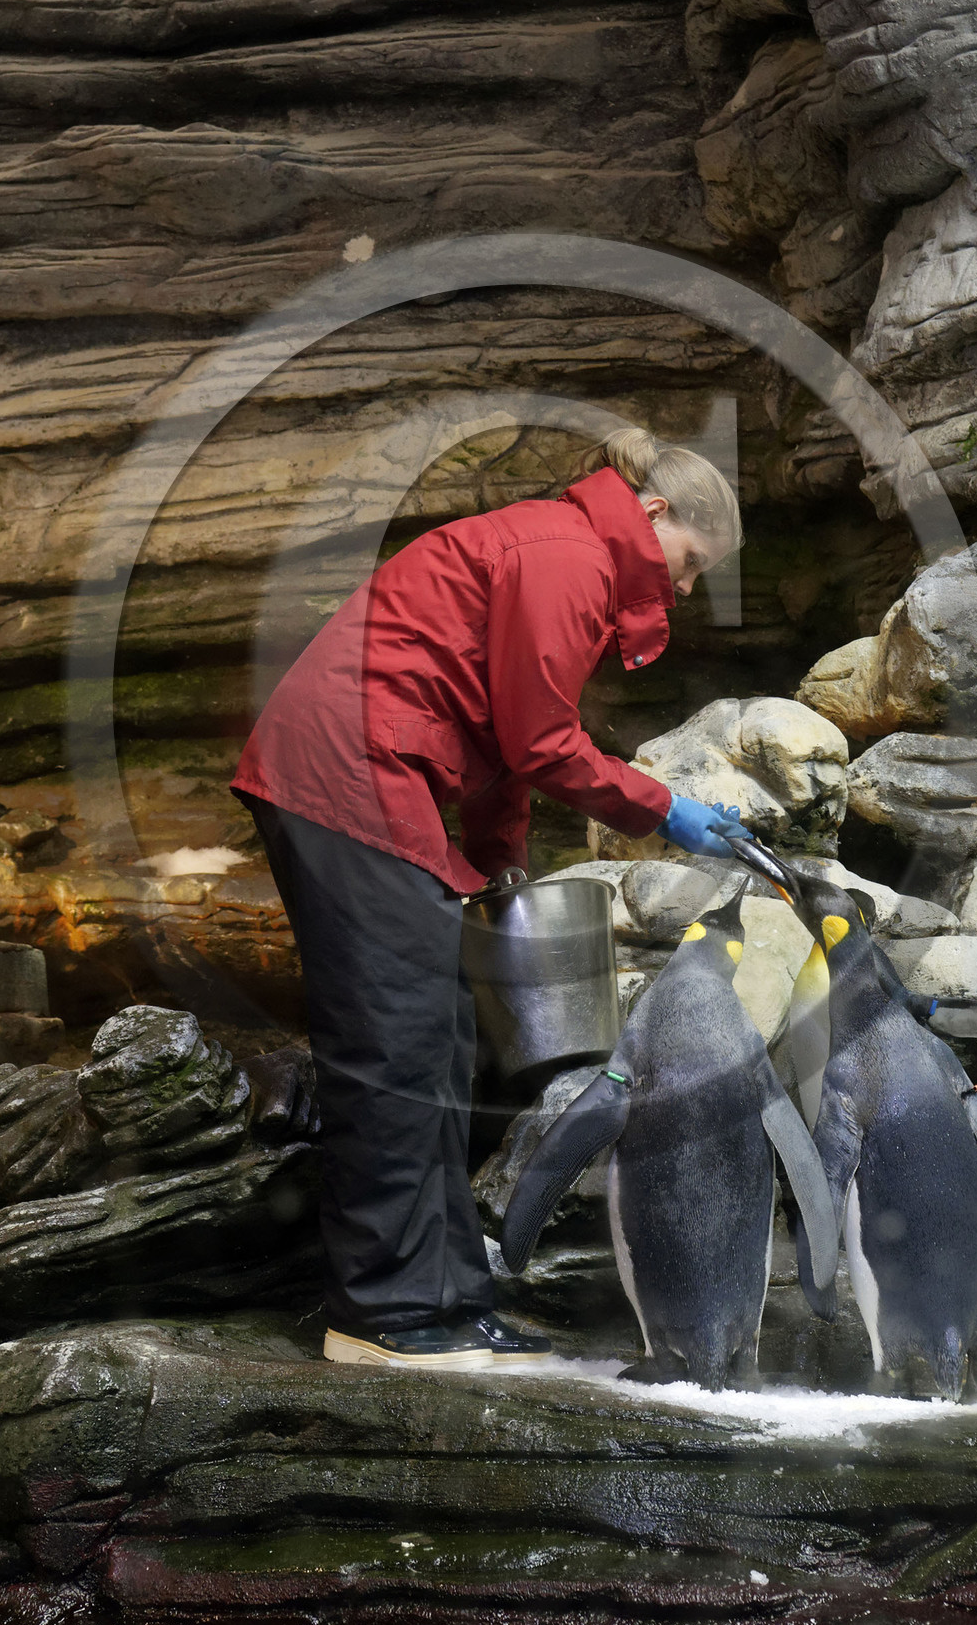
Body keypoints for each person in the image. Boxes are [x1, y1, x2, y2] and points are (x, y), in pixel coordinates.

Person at [231, 425, 745, 1370]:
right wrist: (662, 808)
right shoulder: (566, 557)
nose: (683, 587)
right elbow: (544, 741)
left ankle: (449, 1297)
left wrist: (499, 861)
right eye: (689, 563)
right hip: (342, 767)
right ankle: (382, 1313)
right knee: (394, 1034)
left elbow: (507, 744)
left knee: (450, 1035)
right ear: (655, 512)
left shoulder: (570, 556)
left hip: (383, 772)